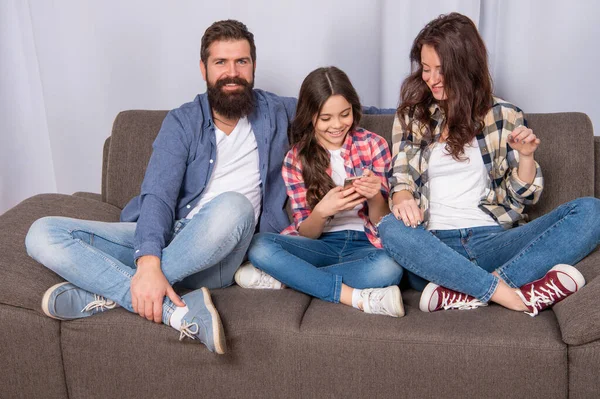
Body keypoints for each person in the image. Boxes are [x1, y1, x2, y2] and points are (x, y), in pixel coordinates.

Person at [25, 20, 299, 355]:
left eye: (241, 61)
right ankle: (171, 310)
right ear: (203, 69)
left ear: (253, 66)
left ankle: (110, 289)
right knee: (42, 233)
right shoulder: (182, 121)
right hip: (173, 236)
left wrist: (382, 123)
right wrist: (149, 261)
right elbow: (157, 196)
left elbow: (342, 110)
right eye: (220, 62)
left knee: (235, 205)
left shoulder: (277, 111)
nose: (232, 72)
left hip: (224, 251)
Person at [377, 12, 600, 316]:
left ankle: (472, 290)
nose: (430, 79)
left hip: (492, 241)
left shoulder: (504, 115)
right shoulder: (413, 115)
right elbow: (400, 172)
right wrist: (401, 196)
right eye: (425, 69)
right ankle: (507, 293)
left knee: (591, 211)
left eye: (440, 70)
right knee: (390, 227)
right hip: (434, 249)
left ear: (464, 66)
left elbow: (518, 201)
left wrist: (525, 157)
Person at [236, 66, 405, 317]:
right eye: (326, 118)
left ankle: (289, 279)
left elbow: (382, 221)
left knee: (390, 269)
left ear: (354, 109)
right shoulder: (296, 158)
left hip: (365, 245)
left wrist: (375, 197)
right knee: (259, 245)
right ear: (310, 116)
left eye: (345, 114)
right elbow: (307, 232)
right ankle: (353, 295)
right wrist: (323, 211)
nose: (337, 125)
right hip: (319, 245)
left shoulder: (373, 145)